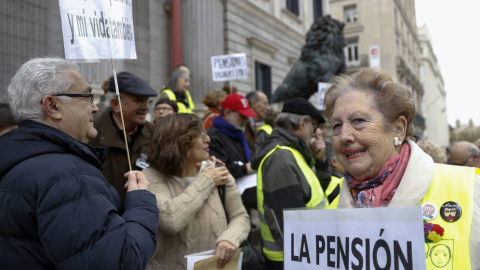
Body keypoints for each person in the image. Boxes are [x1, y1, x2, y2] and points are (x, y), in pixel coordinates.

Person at [0, 57, 159, 269]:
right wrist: (141, 202)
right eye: (87, 97)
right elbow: (121, 262)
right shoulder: (69, 177)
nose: (94, 107)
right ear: (52, 105)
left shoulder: (15, 158)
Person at [323, 68, 480, 269]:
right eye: (336, 125)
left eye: (358, 121)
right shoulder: (331, 207)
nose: (344, 135)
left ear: (398, 128)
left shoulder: (470, 189)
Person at [143, 114, 250, 270]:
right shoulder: (150, 177)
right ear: (180, 142)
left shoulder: (217, 171)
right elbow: (172, 220)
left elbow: (240, 216)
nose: (208, 139)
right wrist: (206, 180)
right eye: (200, 136)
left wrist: (230, 239)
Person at [252, 97, 328, 269]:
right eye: (314, 126)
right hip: (292, 260)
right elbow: (287, 223)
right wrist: (306, 259)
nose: (316, 133)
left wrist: (319, 160)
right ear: (302, 122)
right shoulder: (281, 156)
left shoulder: (290, 152)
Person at [89, 72, 158, 199]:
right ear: (116, 104)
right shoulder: (92, 133)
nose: (146, 107)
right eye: (139, 102)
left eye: (147, 101)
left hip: (143, 211)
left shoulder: (153, 132)